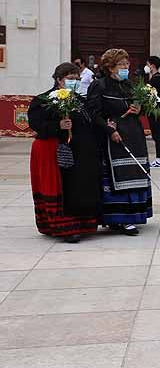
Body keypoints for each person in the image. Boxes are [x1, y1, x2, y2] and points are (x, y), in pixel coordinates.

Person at [28, 62, 101, 243]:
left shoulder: (80, 101)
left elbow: (88, 122)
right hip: (53, 150)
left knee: (76, 188)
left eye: (77, 79)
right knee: (59, 188)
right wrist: (57, 126)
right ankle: (62, 227)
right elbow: (36, 125)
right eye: (70, 79)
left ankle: (82, 224)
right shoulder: (43, 100)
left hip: (78, 151)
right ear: (59, 80)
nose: (74, 82)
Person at [86, 49, 153, 234]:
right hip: (113, 137)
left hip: (134, 134)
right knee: (119, 176)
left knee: (136, 172)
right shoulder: (99, 86)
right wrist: (109, 130)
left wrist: (138, 108)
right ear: (110, 66)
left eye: (127, 64)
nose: (126, 67)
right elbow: (93, 112)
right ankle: (119, 218)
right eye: (122, 64)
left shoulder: (129, 85)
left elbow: (140, 109)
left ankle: (135, 214)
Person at [144, 56, 160, 168]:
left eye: (147, 64)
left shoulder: (156, 79)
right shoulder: (157, 77)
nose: (146, 67)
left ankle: (159, 160)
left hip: (156, 110)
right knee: (156, 134)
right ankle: (159, 159)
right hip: (156, 109)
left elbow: (151, 95)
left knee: (157, 134)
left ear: (152, 65)